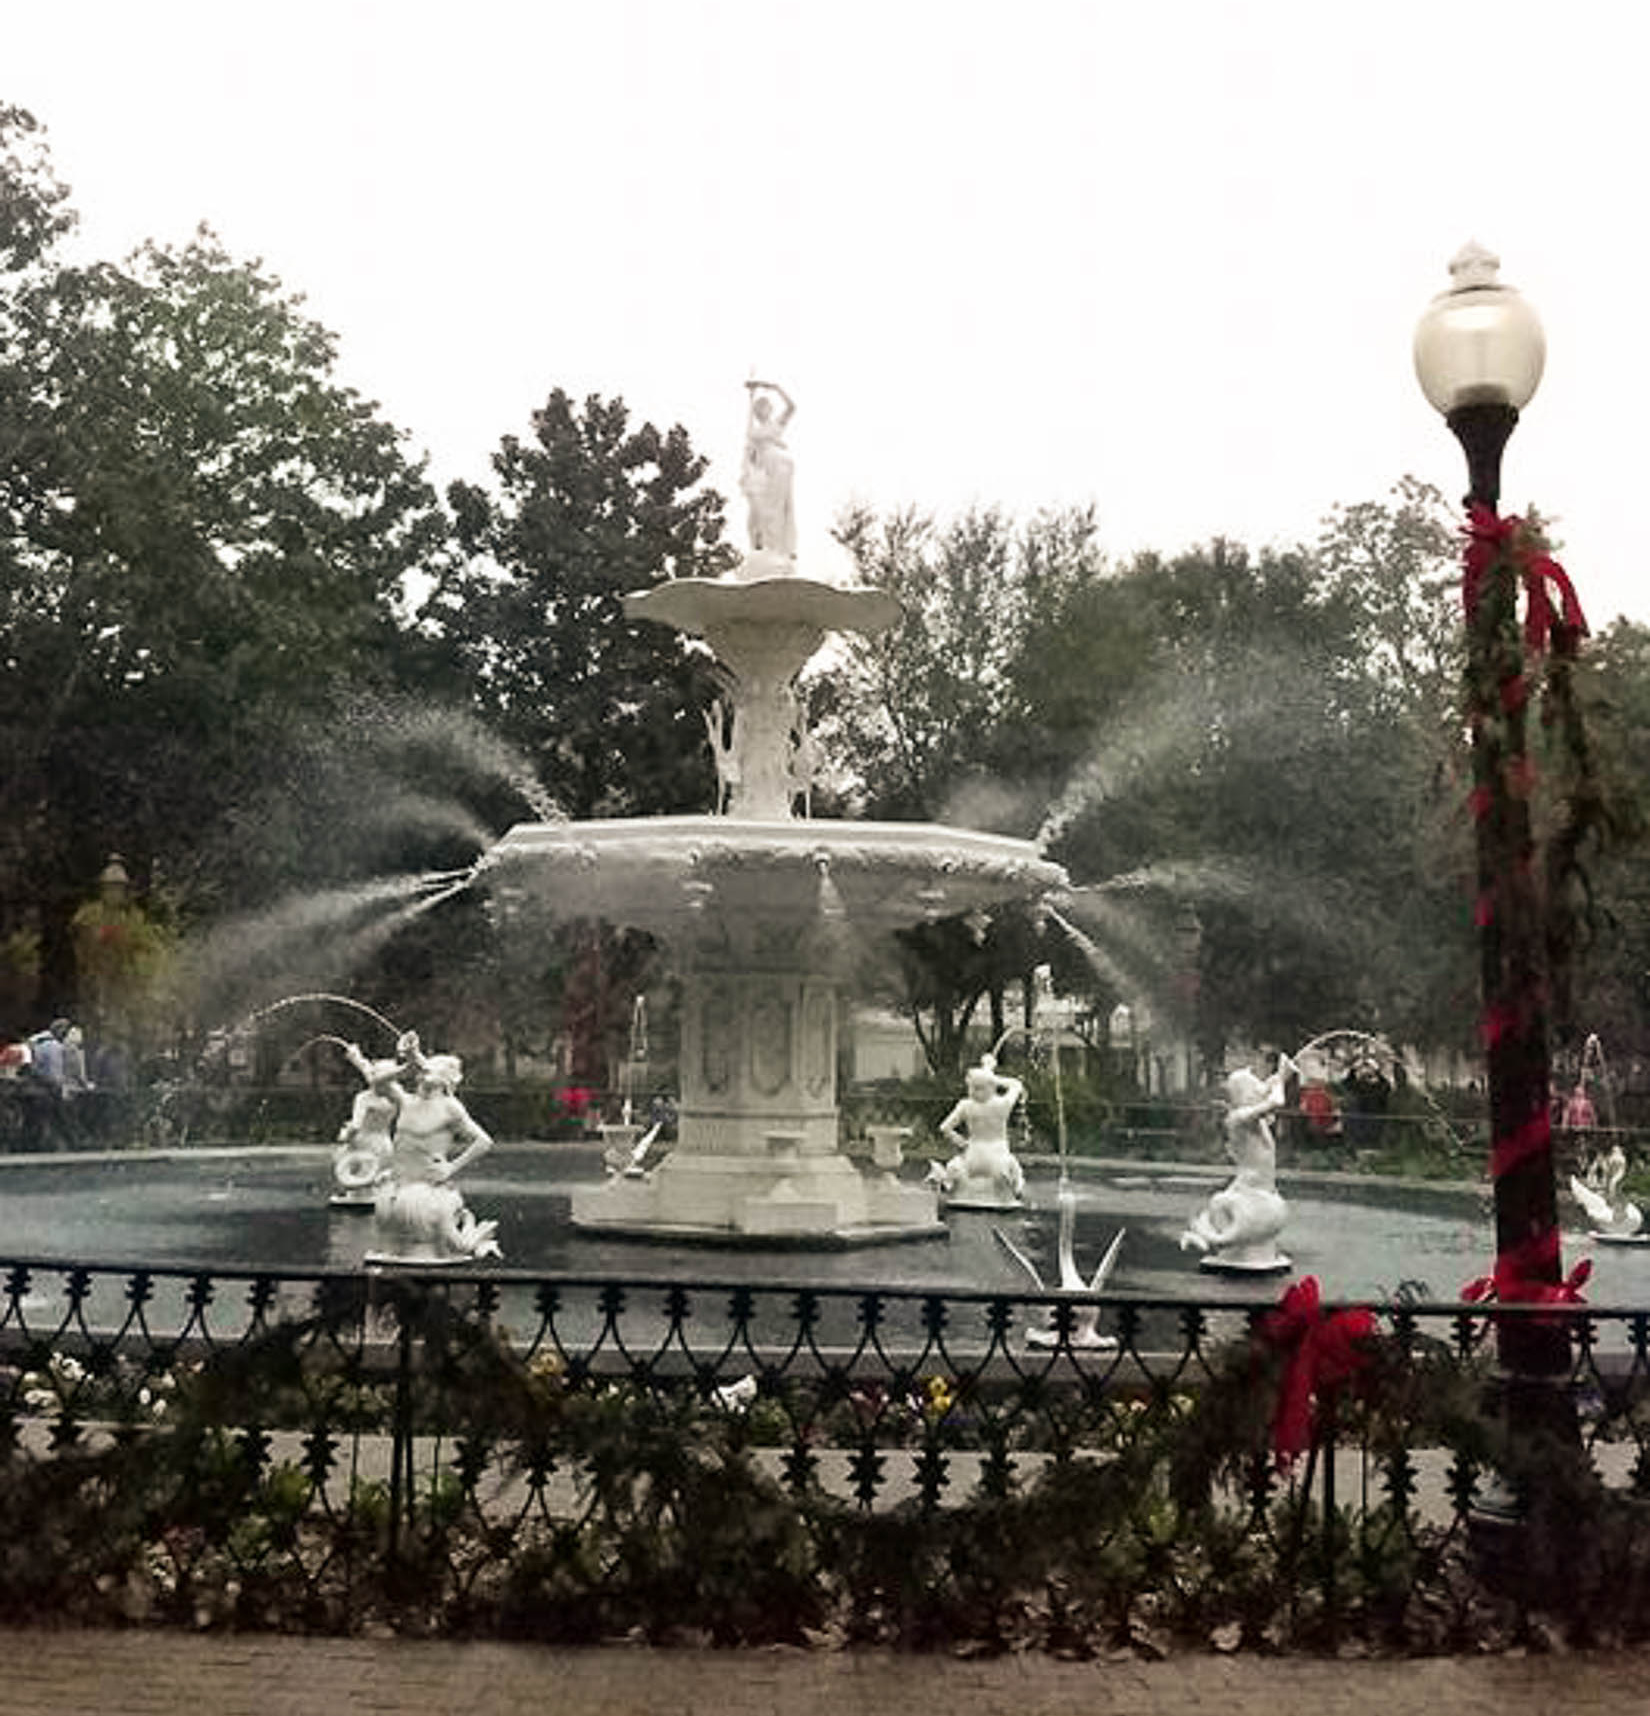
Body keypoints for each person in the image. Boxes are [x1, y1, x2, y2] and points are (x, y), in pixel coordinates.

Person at [372, 1033, 500, 1260]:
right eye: (424, 1069)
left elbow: (484, 1141)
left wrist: (451, 1167)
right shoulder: (406, 1100)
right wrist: (408, 1065)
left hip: (424, 1191)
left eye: (433, 1069)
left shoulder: (450, 1107)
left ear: (447, 1079)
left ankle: (471, 1243)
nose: (425, 1072)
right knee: (388, 1252)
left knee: (423, 1251)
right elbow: (378, 1082)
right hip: (395, 1185)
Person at [927, 1054, 1026, 1205]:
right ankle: (1016, 1189)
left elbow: (944, 1128)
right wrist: (991, 1074)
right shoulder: (1001, 1105)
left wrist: (959, 1141)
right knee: (1013, 1169)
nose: (974, 1092)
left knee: (955, 1167)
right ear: (992, 1087)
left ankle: (948, 1186)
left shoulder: (966, 1105)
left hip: (973, 1157)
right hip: (997, 1156)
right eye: (973, 1088)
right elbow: (1016, 1085)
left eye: (976, 1088)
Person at [739, 379, 797, 559]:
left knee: (776, 508)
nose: (760, 412)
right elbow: (748, 453)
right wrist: (745, 474)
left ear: (770, 409)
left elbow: (792, 407)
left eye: (764, 407)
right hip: (763, 469)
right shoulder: (753, 430)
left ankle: (777, 548)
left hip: (779, 464)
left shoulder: (776, 424)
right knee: (758, 511)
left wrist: (775, 387)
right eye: (757, 409)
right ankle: (764, 546)